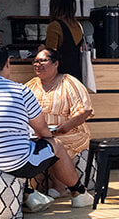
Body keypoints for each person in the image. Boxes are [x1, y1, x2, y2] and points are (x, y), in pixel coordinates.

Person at [0, 43, 94, 211]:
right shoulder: (21, 91)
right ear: (8, 63)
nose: (37, 65)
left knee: (17, 147)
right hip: (14, 161)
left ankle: (29, 194)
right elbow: (43, 131)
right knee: (53, 145)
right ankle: (79, 193)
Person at [24, 47, 94, 194]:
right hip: (40, 133)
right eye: (35, 61)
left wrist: (65, 126)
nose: (38, 64)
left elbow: (84, 110)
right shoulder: (30, 86)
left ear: (55, 64)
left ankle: (59, 187)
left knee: (56, 144)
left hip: (70, 132)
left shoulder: (68, 82)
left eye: (43, 60)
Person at [43, 0, 86, 82]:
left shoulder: (55, 26)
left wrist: (41, 50)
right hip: (76, 77)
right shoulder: (78, 26)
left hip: (60, 78)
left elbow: (50, 56)